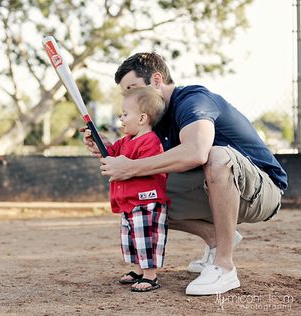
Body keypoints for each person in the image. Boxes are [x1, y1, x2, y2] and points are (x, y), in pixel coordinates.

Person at [84, 52, 287, 295]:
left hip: (262, 190)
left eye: (133, 88)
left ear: (157, 80)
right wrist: (107, 148)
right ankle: (216, 239)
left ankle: (224, 266)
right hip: (213, 186)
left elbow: (197, 152)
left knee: (216, 155)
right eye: (125, 92)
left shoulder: (193, 100)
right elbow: (141, 161)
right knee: (143, 196)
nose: (129, 97)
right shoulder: (153, 122)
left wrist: (129, 167)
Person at [85, 86, 170, 292]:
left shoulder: (151, 141)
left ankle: (150, 276)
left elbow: (147, 165)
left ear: (142, 118)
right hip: (129, 202)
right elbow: (109, 154)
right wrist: (97, 141)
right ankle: (138, 270)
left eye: (125, 114)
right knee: (131, 239)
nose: (121, 118)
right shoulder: (125, 141)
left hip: (146, 201)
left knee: (145, 237)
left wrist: (126, 165)